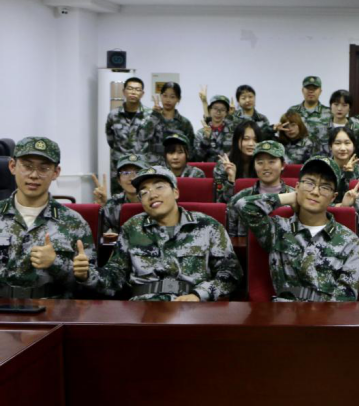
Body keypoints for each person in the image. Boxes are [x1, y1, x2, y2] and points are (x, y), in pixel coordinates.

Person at [82, 166, 242, 301]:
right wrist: (87, 275)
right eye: (144, 192)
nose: (152, 195)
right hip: (143, 310)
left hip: (191, 308)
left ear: (176, 192)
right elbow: (114, 277)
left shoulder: (207, 226)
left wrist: (199, 294)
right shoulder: (132, 228)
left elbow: (231, 273)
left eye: (159, 187)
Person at [237, 157, 359, 301]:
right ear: (297, 187)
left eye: (325, 187)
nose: (315, 192)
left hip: (326, 313)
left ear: (333, 197)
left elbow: (346, 298)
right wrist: (288, 198)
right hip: (282, 311)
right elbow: (243, 205)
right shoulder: (277, 229)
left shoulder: (348, 240)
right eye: (309, 183)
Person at [0, 137, 95, 298]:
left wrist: (56, 264)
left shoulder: (74, 222)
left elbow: (93, 288)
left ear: (56, 172)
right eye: (27, 166)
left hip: (53, 308)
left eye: (44, 168)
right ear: (12, 166)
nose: (34, 175)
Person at [226, 141, 294, 240]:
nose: (266, 167)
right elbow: (232, 238)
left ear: (283, 165)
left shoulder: (294, 196)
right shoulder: (240, 198)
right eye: (260, 162)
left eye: (271, 162)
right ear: (254, 165)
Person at [106, 77, 156, 192]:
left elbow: (154, 142)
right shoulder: (113, 115)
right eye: (130, 88)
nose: (133, 92)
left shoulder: (150, 115)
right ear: (124, 91)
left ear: (142, 93)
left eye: (137, 89)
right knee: (118, 198)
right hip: (119, 166)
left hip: (142, 166)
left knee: (143, 196)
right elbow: (110, 139)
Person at [92, 153, 147, 238]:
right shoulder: (114, 203)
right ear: (119, 180)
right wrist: (99, 208)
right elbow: (95, 234)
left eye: (137, 172)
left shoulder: (155, 200)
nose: (132, 178)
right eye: (125, 173)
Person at [213, 121, 261, 203]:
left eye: (255, 140)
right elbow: (220, 201)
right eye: (246, 139)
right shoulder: (222, 165)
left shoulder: (263, 163)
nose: (251, 144)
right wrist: (231, 180)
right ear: (236, 140)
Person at [150, 82, 195, 161]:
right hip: (154, 165)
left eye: (172, 97)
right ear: (160, 96)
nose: (168, 100)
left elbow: (190, 149)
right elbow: (142, 140)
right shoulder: (152, 119)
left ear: (178, 99)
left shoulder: (185, 123)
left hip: (176, 164)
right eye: (165, 96)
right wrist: (154, 116)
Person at [287, 76, 332, 153]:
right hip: (297, 156)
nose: (311, 91)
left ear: (320, 91)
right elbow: (286, 135)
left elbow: (334, 138)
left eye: (314, 88)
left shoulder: (329, 113)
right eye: (308, 88)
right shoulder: (293, 111)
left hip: (321, 156)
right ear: (302, 90)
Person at [320, 90, 359, 157]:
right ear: (330, 106)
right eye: (336, 104)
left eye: (344, 105)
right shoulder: (321, 127)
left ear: (349, 108)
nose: (339, 108)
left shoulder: (358, 127)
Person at [328, 127, 359, 202]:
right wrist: (339, 206)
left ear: (354, 146)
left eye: (347, 143)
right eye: (338, 143)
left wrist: (348, 174)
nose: (343, 148)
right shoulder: (323, 167)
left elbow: (356, 200)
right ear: (330, 146)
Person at [194, 95, 234, 162]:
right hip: (207, 168)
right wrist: (206, 139)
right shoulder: (201, 133)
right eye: (215, 108)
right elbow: (197, 158)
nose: (218, 112)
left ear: (226, 113)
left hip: (227, 167)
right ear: (209, 110)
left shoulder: (232, 132)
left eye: (222, 110)